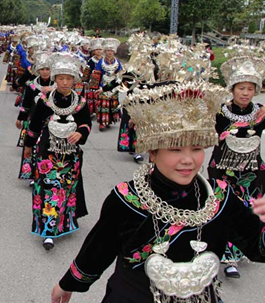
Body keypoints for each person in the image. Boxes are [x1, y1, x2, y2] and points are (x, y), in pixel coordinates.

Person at [50, 81, 265, 303]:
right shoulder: (127, 199)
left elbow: (258, 245)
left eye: (197, 148)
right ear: (153, 152)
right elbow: (97, 251)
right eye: (175, 149)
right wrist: (67, 284)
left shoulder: (220, 198)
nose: (188, 160)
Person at [24, 53, 91, 250]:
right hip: (48, 152)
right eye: (61, 78)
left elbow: (86, 124)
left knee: (66, 189)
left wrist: (80, 133)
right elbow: (34, 124)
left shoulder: (80, 103)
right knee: (48, 189)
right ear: (55, 79)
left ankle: (65, 222)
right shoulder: (45, 101)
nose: (64, 82)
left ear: (74, 80)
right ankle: (47, 231)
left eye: (68, 78)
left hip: (70, 155)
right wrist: (29, 145)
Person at [207, 52, 265, 278]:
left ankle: (236, 255)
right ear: (232, 89)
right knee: (223, 209)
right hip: (223, 169)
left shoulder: (260, 112)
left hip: (252, 172)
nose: (246, 93)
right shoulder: (220, 111)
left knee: (248, 211)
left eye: (250, 89)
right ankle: (217, 250)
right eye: (241, 88)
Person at [16, 51, 54, 185]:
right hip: (34, 121)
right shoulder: (32, 85)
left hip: (52, 123)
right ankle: (32, 175)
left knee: (48, 149)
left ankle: (48, 175)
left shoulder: (57, 86)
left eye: (47, 69)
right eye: (42, 69)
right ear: (37, 70)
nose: (44, 72)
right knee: (32, 147)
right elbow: (26, 103)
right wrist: (20, 118)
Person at [94, 38, 123, 130]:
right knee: (103, 104)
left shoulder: (117, 62)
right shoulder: (101, 62)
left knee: (112, 104)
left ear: (114, 51)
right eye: (107, 50)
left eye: (111, 50)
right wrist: (95, 86)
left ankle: (109, 120)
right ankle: (102, 122)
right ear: (105, 51)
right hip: (103, 85)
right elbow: (96, 74)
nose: (109, 52)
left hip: (114, 86)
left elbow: (121, 74)